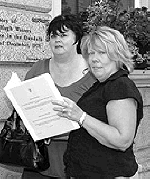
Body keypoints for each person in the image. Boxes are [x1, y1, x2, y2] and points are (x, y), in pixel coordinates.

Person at [51, 26, 143, 179]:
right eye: (91, 53)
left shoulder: (119, 85)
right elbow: (91, 128)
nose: (94, 58)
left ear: (117, 55)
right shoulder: (101, 85)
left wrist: (81, 117)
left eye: (102, 53)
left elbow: (122, 140)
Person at [21, 14, 96, 179]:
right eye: (53, 35)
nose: (57, 40)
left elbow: (99, 118)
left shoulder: (93, 72)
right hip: (38, 160)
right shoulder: (38, 68)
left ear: (77, 39)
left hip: (78, 160)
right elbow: (23, 108)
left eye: (63, 35)